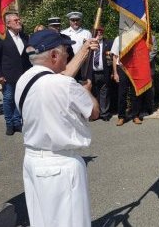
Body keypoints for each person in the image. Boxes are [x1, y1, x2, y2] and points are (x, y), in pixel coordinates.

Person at [15, 29, 100, 227]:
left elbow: (59, 77)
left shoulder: (24, 80)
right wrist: (86, 92)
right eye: (64, 52)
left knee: (43, 221)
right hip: (61, 166)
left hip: (33, 161)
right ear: (53, 55)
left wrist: (84, 50)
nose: (68, 55)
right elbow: (94, 112)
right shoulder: (66, 85)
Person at [0, 13, 32, 135]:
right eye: (15, 20)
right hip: (8, 75)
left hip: (23, 75)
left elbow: (27, 56)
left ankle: (17, 122)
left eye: (19, 19)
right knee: (8, 99)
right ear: (8, 24)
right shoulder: (1, 37)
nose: (19, 21)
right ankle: (9, 124)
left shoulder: (24, 36)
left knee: (20, 99)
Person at [111, 35, 142, 126]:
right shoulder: (118, 38)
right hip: (122, 68)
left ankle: (135, 116)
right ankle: (121, 117)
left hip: (134, 68)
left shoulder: (136, 37)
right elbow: (114, 57)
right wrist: (115, 73)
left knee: (135, 93)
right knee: (122, 93)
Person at [91, 26, 113, 121]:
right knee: (93, 93)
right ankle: (95, 113)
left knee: (104, 93)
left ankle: (104, 114)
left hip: (104, 72)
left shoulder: (108, 43)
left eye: (101, 32)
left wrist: (112, 72)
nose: (99, 34)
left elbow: (113, 58)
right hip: (92, 72)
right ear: (94, 33)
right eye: (97, 32)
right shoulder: (89, 44)